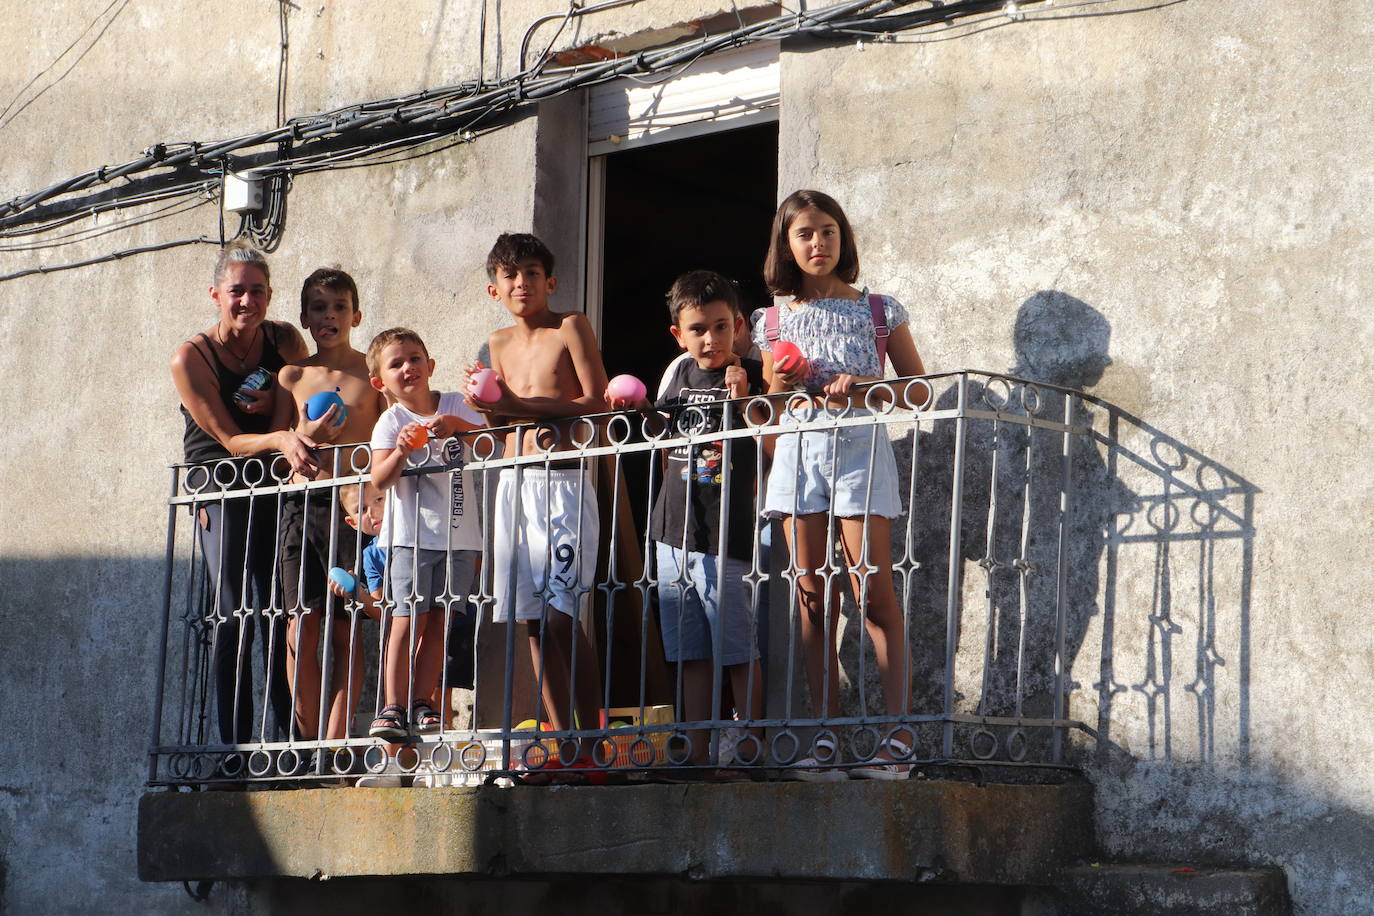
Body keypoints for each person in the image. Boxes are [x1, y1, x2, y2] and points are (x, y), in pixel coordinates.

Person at [754, 190, 927, 781]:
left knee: (872, 593)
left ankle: (897, 738)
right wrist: (776, 383)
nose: (817, 244)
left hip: (861, 452)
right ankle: (823, 736)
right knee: (811, 597)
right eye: (804, 234)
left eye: (827, 231)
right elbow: (770, 413)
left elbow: (920, 390)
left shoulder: (880, 310)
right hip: (800, 455)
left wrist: (866, 390)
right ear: (787, 245)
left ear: (843, 237)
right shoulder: (771, 322)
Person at [463, 232, 609, 780]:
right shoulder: (496, 343)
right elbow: (498, 421)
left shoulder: (570, 325)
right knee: (529, 621)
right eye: (509, 275)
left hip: (562, 483)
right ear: (493, 288)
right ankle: (562, 739)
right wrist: (485, 406)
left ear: (549, 281)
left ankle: (593, 741)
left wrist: (515, 404)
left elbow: (593, 402)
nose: (520, 283)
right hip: (513, 484)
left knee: (561, 615)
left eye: (530, 272)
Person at [613, 270, 767, 769]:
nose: (711, 338)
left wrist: (745, 398)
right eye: (698, 329)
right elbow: (663, 440)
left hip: (727, 532)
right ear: (678, 334)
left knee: (738, 647)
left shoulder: (755, 374)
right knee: (691, 651)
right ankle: (698, 751)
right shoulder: (678, 373)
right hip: (672, 531)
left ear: (738, 325)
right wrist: (637, 408)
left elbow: (771, 445)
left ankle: (750, 746)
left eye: (721, 327)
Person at [170, 244, 317, 746]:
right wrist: (279, 436)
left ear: (270, 296)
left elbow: (303, 397)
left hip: (276, 482)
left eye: (257, 290)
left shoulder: (284, 340)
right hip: (221, 488)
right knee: (234, 614)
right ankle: (232, 749)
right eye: (237, 290)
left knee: (280, 614)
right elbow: (231, 442)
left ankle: (286, 747)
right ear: (216, 295)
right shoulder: (191, 358)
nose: (247, 300)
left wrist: (280, 409)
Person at [271, 267, 387, 742]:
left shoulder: (372, 374)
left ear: (355, 315)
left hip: (354, 508)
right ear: (304, 317)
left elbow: (388, 441)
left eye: (339, 307)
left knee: (348, 629)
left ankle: (337, 746)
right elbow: (280, 456)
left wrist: (381, 507)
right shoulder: (293, 375)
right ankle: (305, 746)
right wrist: (301, 441)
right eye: (319, 307)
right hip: (303, 506)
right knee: (302, 627)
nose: (329, 315)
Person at [365, 328, 483, 783]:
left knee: (439, 621)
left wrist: (457, 427)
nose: (407, 368)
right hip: (410, 537)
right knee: (404, 620)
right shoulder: (391, 421)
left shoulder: (453, 402)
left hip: (459, 536)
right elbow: (379, 480)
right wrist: (402, 450)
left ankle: (423, 701)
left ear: (430, 365)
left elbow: (490, 439)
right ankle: (392, 705)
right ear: (381, 382)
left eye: (415, 359)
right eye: (396, 364)